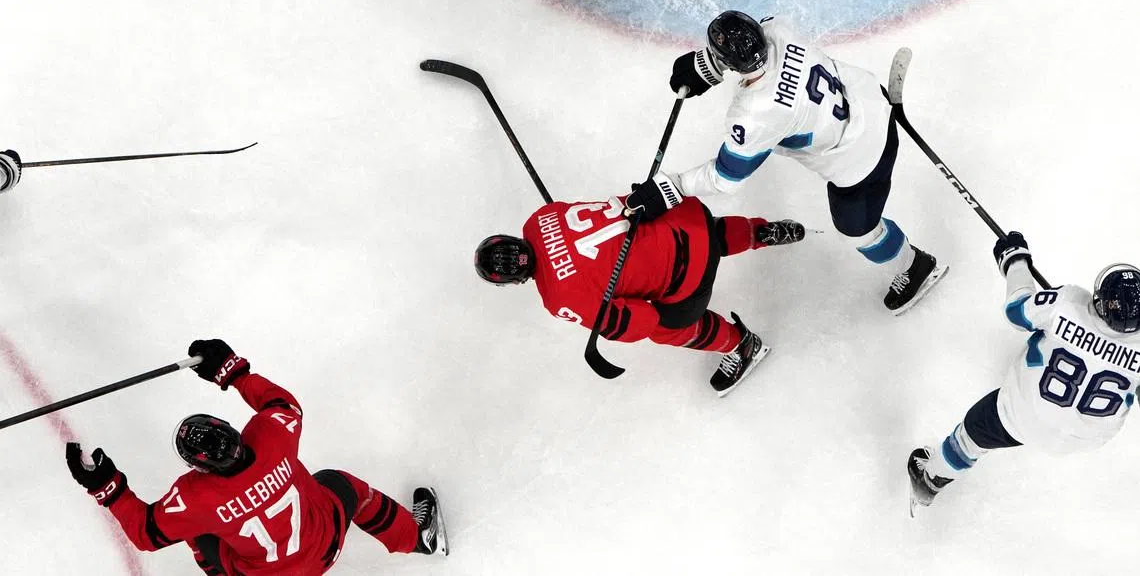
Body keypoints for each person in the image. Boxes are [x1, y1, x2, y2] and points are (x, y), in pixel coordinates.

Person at [633, 10, 945, 314]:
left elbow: (726, 178)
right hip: (868, 98)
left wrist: (672, 186)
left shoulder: (755, 113)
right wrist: (708, 66)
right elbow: (753, 42)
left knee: (858, 231)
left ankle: (915, 266)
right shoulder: (779, 29)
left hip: (861, 160)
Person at [65, 339, 446, 573]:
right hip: (326, 543)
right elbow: (281, 403)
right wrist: (231, 372)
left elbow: (147, 534)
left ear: (200, 468)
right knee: (343, 485)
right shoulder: (273, 435)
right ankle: (417, 539)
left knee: (195, 533)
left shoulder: (194, 498)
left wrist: (107, 488)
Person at [475, 192, 805, 396]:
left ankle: (742, 345)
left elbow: (640, 322)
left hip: (688, 277)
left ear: (514, 281)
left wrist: (613, 323)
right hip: (687, 216)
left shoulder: (558, 298)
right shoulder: (540, 218)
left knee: (664, 327)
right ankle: (759, 232)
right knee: (686, 232)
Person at [908, 233, 1140, 513]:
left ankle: (929, 480)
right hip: (1086, 438)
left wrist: (1015, 260)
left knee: (970, 435)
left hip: (1021, 416)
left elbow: (1017, 311)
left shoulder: (1068, 303)